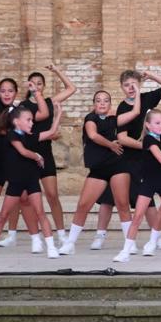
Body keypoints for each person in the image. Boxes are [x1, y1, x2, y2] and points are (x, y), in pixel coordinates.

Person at [57, 91, 142, 255]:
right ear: (94, 104)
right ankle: (70, 243)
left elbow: (136, 112)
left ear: (110, 104)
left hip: (118, 166)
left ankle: (129, 243)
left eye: (106, 101)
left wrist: (137, 92)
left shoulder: (115, 119)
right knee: (83, 205)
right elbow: (93, 135)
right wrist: (110, 144)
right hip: (99, 169)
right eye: (98, 101)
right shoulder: (91, 118)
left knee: (122, 204)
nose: (102, 103)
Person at [0, 66, 76, 248]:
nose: (37, 86)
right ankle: (12, 235)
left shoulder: (48, 101)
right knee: (19, 195)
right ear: (28, 86)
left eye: (40, 84)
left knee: (52, 195)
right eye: (33, 84)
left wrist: (57, 70)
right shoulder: (23, 106)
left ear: (43, 86)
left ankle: (61, 234)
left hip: (45, 152)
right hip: (26, 154)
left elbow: (71, 89)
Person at [0, 103, 63, 259]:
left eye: (31, 120)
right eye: (28, 120)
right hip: (16, 183)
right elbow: (22, 151)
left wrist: (58, 115)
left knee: (41, 213)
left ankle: (50, 247)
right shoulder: (11, 136)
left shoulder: (31, 136)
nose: (32, 123)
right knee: (3, 215)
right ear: (16, 122)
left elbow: (51, 132)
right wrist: (37, 156)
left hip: (31, 181)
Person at [0, 78, 46, 254]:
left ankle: (36, 239)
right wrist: (15, 133)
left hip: (16, 163)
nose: (6, 94)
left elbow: (43, 114)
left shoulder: (20, 110)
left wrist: (36, 92)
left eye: (10, 91)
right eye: (3, 90)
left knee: (24, 200)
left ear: (15, 93)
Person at [112, 105, 161, 262]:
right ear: (148, 125)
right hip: (148, 182)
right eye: (157, 123)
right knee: (138, 217)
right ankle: (126, 252)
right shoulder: (148, 140)